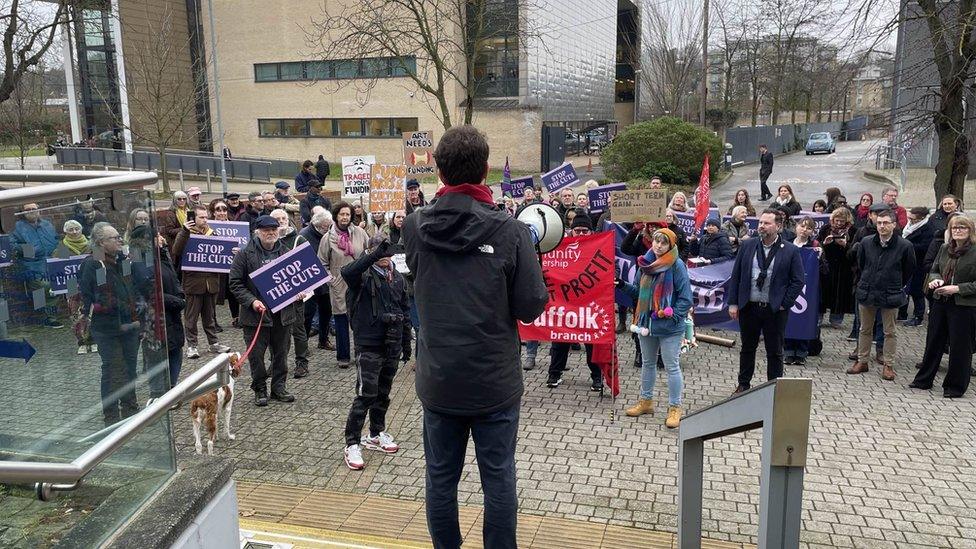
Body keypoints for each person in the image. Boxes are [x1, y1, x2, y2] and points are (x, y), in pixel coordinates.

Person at [402, 125, 547, 549]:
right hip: (494, 383)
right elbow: (530, 306)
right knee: (499, 477)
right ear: (485, 170)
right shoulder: (511, 232)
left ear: (437, 169)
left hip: (439, 379)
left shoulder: (414, 227)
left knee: (440, 479)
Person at [340, 236, 411, 470]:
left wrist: (405, 340)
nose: (384, 257)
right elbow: (346, 272)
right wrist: (372, 254)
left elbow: (404, 308)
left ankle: (376, 433)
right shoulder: (361, 276)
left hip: (391, 344)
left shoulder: (397, 277)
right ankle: (352, 443)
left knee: (383, 393)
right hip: (368, 344)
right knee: (365, 395)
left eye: (387, 252)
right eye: (379, 252)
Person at [619, 227, 692, 428]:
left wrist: (673, 316)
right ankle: (646, 401)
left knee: (671, 366)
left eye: (664, 243)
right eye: (656, 241)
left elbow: (686, 298)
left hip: (669, 326)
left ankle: (675, 408)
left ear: (671, 245)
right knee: (648, 363)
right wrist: (621, 284)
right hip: (646, 324)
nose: (659, 246)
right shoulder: (644, 263)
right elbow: (636, 292)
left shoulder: (677, 266)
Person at [728, 209, 805, 393]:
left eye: (766, 223)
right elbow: (736, 274)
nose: (761, 226)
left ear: (778, 226)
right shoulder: (748, 246)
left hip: (774, 310)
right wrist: (733, 302)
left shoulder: (790, 250)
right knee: (747, 347)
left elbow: (798, 280)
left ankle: (774, 388)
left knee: (775, 350)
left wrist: (784, 303)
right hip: (750, 306)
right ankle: (743, 384)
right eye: (761, 222)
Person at [228, 215, 300, 406]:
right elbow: (235, 284)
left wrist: (300, 293)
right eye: (267, 230)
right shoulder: (244, 254)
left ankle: (279, 388)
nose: (271, 233)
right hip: (256, 316)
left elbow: (297, 281)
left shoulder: (286, 253)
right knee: (256, 357)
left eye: (274, 229)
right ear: (258, 232)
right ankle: (259, 388)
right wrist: (252, 301)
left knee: (281, 354)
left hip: (282, 315)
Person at [79, 222, 140, 426]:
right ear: (101, 243)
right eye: (115, 238)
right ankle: (111, 415)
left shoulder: (121, 258)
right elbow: (100, 295)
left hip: (129, 325)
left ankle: (131, 408)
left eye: (118, 237)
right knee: (113, 369)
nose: (120, 240)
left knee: (130, 367)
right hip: (107, 328)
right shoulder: (94, 264)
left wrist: (137, 308)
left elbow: (131, 284)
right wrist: (125, 307)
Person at [910, 215, 976, 398]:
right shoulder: (945, 248)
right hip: (941, 302)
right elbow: (934, 269)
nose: (958, 231)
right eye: (954, 228)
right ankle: (923, 380)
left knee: (960, 347)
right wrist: (935, 280)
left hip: (964, 305)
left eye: (962, 228)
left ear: (970, 231)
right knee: (933, 342)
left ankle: (954, 386)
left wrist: (958, 288)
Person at [847, 209, 915, 381]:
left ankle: (888, 364)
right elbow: (862, 264)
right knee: (864, 329)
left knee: (889, 332)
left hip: (891, 293)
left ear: (894, 224)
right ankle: (862, 361)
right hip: (868, 291)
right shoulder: (866, 242)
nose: (882, 226)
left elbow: (908, 269)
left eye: (886, 223)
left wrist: (895, 283)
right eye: (879, 223)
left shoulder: (905, 246)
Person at [545, 216, 604, 391]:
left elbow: (609, 266)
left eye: (584, 231)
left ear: (591, 231)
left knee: (592, 342)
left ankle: (597, 377)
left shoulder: (599, 246)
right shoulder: (560, 247)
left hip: (589, 304)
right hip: (565, 303)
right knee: (560, 340)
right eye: (577, 230)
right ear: (571, 230)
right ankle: (554, 374)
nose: (580, 234)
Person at [172, 205, 231, 359]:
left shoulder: (213, 233)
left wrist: (231, 252)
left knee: (210, 316)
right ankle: (192, 345)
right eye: (201, 217)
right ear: (193, 218)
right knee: (191, 318)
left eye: (206, 217)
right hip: (193, 284)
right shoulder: (185, 234)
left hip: (211, 283)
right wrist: (185, 231)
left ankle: (214, 343)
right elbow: (176, 251)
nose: (205, 220)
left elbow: (221, 254)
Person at [319, 201, 370, 368]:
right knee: (341, 320)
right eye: (342, 214)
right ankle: (343, 357)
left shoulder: (360, 233)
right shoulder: (327, 238)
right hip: (339, 283)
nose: (345, 217)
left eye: (347, 214)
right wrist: (330, 279)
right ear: (336, 216)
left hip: (359, 282)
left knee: (360, 320)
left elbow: (368, 253)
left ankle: (361, 353)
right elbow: (322, 263)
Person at [12, 202, 62, 327]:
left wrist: (60, 255)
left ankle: (50, 315)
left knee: (59, 284)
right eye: (27, 209)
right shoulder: (17, 227)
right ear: (22, 213)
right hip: (31, 264)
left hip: (50, 261)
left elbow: (56, 240)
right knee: (44, 286)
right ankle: (48, 318)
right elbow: (12, 244)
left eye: (34, 209)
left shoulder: (47, 224)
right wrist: (30, 251)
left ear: (39, 210)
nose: (31, 211)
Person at [783, 217, 821, 365]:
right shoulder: (786, 243)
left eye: (809, 228)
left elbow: (823, 270)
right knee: (788, 318)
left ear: (812, 231)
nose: (805, 230)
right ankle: (788, 351)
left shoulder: (814, 246)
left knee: (804, 318)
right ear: (796, 227)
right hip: (788, 287)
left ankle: (801, 352)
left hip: (807, 289)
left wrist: (819, 256)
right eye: (802, 226)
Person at [55, 220, 94, 354]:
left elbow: (100, 264)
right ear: (65, 232)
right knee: (75, 314)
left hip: (90, 284)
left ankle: (93, 340)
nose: (74, 232)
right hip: (72, 285)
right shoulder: (62, 248)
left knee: (91, 312)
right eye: (70, 229)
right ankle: (81, 342)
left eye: (77, 228)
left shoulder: (91, 245)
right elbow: (57, 268)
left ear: (81, 230)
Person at [300, 211, 335, 351]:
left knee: (326, 311)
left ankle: (323, 340)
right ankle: (303, 345)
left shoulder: (328, 234)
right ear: (318, 225)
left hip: (325, 280)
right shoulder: (303, 236)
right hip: (309, 282)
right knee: (307, 314)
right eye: (327, 226)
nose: (329, 229)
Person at [817, 208, 857, 328]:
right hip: (827, 264)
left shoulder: (853, 231)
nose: (839, 223)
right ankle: (818, 317)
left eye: (842, 221)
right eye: (837, 220)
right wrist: (825, 243)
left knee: (840, 293)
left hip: (843, 266)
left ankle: (836, 319)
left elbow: (855, 249)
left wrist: (846, 245)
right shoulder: (825, 229)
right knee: (823, 292)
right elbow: (817, 244)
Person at [899, 206, 934, 326]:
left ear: (921, 218)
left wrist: (907, 245)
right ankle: (902, 313)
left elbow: (925, 247)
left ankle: (918, 316)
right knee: (905, 288)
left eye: (913, 219)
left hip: (919, 264)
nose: (910, 220)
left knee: (917, 291)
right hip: (907, 262)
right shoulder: (909, 227)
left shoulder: (928, 229)